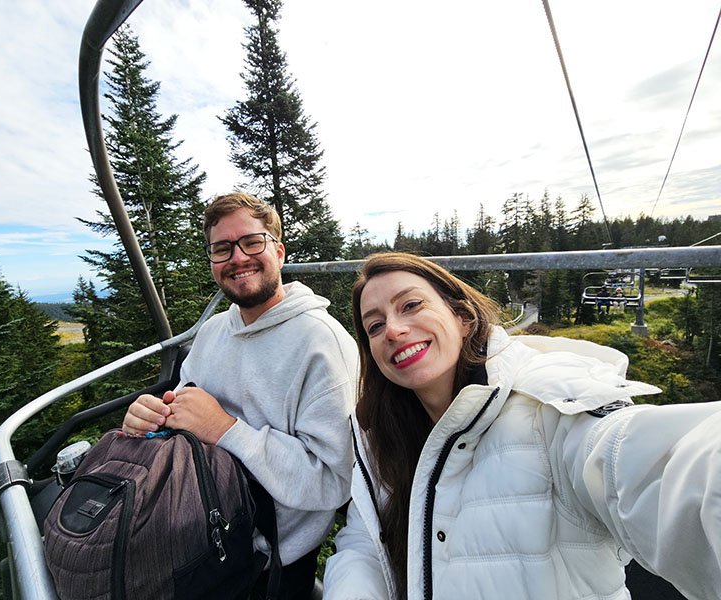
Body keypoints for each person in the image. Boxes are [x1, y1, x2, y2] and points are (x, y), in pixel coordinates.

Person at [323, 252, 721, 599]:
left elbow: (648, 462)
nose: (393, 329)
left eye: (410, 305)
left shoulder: (550, 411)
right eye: (374, 326)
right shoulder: (385, 439)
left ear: (461, 317)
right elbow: (365, 542)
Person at [123, 192, 358, 599]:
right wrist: (149, 419)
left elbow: (332, 482)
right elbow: (182, 408)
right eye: (222, 249)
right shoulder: (213, 332)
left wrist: (226, 429)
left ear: (279, 252)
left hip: (270, 562)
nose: (237, 257)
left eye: (252, 242)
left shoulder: (321, 344)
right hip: (194, 532)